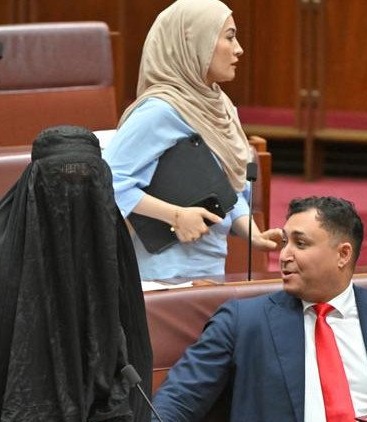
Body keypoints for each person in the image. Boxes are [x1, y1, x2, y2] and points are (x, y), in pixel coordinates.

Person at [150, 196, 367, 422]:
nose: (284, 255)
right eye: (285, 242)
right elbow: (176, 405)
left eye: (300, 244)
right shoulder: (243, 322)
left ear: (343, 254)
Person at [0, 126, 152, 422]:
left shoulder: (111, 248)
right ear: (34, 184)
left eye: (86, 183)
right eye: (61, 181)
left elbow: (133, 357)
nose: (73, 196)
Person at [103, 0, 280, 280]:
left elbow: (227, 186)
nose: (239, 49)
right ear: (194, 42)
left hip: (209, 270)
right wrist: (175, 215)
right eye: (229, 37)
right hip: (159, 277)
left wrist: (252, 234)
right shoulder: (161, 109)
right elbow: (107, 182)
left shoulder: (221, 106)